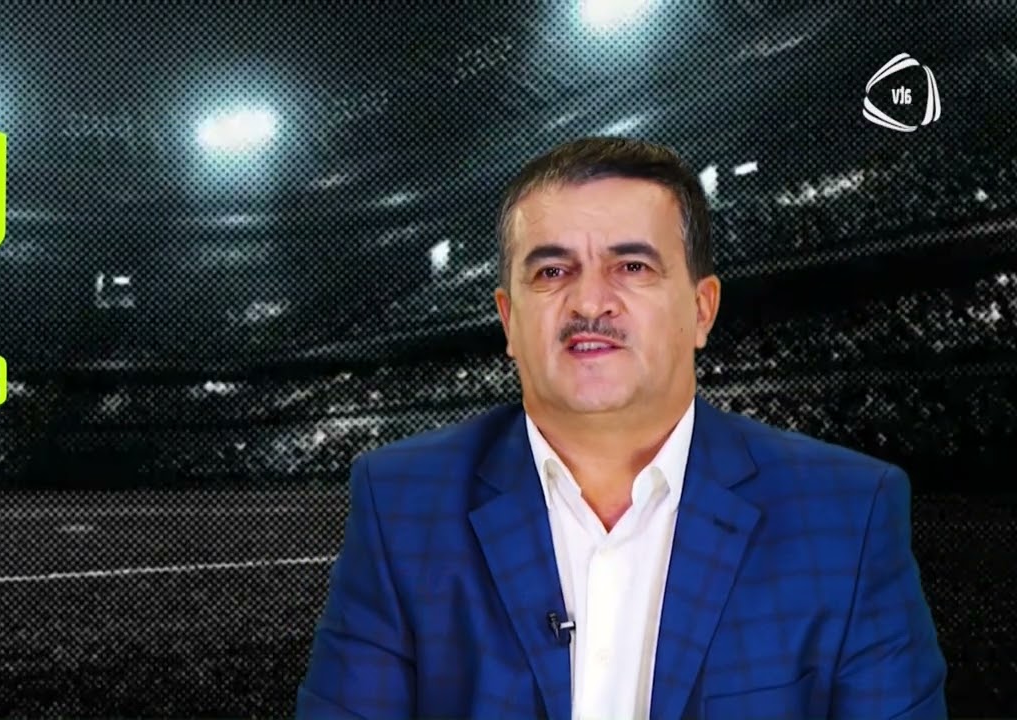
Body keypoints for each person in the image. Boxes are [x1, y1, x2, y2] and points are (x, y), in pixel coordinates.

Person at [296, 137, 947, 719]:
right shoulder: (401, 503)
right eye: (552, 272)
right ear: (509, 321)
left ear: (701, 310)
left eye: (632, 266)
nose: (588, 301)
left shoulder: (847, 513)